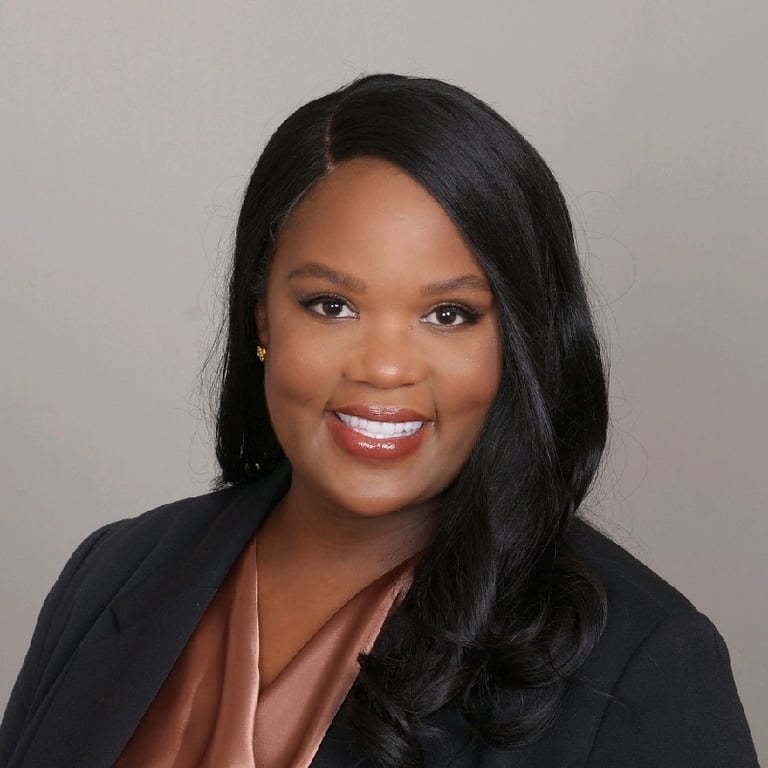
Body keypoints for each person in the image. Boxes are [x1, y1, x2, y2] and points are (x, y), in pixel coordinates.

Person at [0, 74, 758, 768]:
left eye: (449, 313)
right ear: (263, 311)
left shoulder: (646, 663)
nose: (385, 368)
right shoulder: (111, 572)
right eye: (331, 305)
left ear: (515, 341)